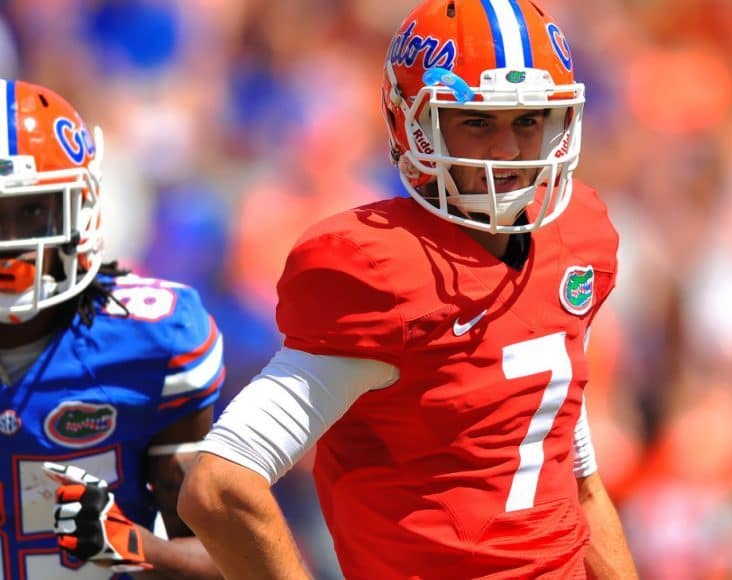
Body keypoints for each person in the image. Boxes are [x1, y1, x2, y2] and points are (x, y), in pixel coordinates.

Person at [178, 0, 638, 578]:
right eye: (477, 122)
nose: (509, 153)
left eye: (528, 120)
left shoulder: (578, 238)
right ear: (411, 125)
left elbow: (576, 478)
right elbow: (219, 486)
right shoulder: (381, 273)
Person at [0, 79, 225, 579]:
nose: (11, 243)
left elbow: (230, 561)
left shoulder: (150, 344)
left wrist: (136, 546)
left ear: (82, 208)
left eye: (34, 211)